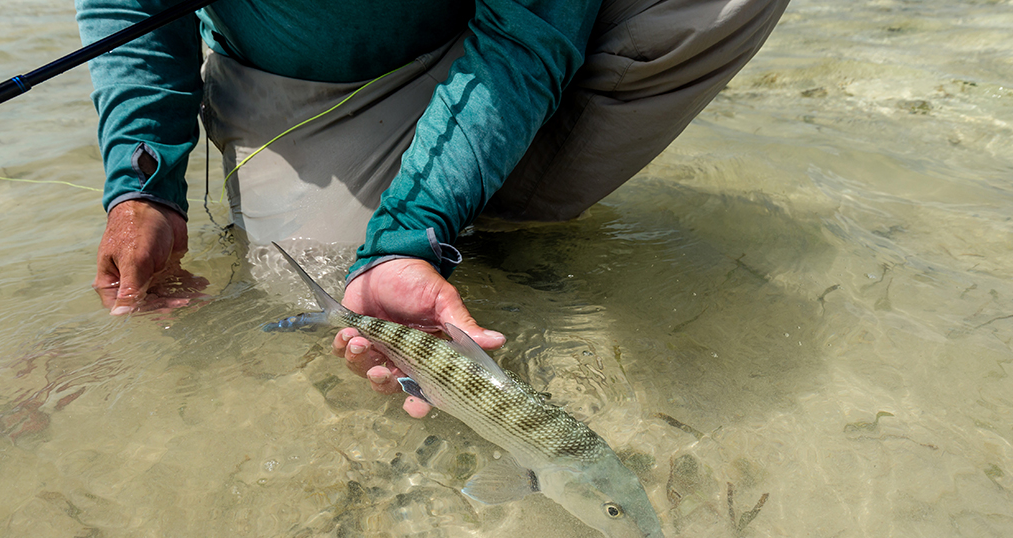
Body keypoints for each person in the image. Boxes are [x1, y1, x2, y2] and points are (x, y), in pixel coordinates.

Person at [77, 0, 788, 416]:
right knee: (305, 281)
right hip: (311, 83)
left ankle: (485, 213)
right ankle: (441, 219)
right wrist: (144, 181)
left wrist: (406, 231)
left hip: (503, 27)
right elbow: (130, 6)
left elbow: (527, 28)